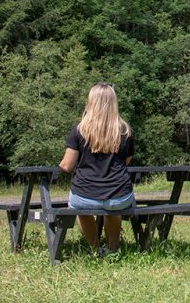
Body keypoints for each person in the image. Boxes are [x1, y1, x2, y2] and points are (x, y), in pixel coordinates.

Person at [58, 83, 134, 255]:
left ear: (90, 102)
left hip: (85, 195)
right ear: (114, 103)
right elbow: (126, 161)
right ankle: (113, 249)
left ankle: (94, 249)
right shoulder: (126, 131)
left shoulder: (79, 131)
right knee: (113, 209)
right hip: (120, 195)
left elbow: (67, 166)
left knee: (80, 209)